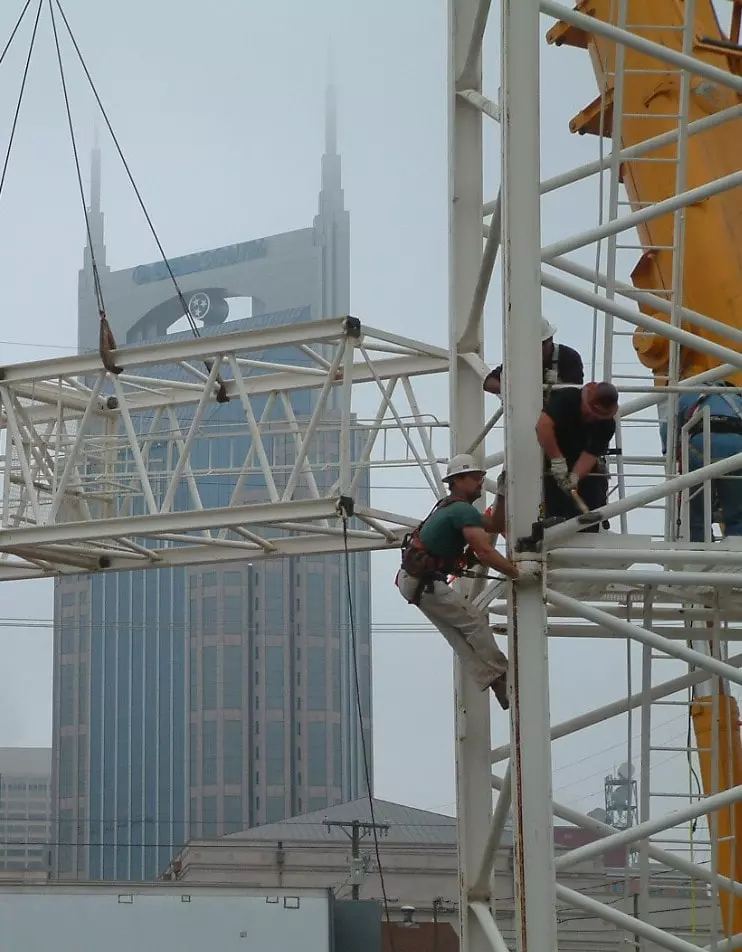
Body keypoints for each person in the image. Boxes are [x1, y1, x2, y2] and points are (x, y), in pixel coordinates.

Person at [396, 454, 519, 710]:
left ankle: (496, 681)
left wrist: (503, 495)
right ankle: (504, 675)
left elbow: (495, 523)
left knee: (459, 634)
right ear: (458, 480)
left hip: (415, 580)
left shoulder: (454, 508)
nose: (480, 483)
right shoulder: (461, 510)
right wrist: (516, 572)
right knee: (473, 621)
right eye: (475, 478)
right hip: (424, 581)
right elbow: (485, 551)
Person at [536, 382, 619, 530]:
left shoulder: (606, 425)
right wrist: (557, 460)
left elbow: (590, 454)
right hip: (547, 459)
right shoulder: (567, 398)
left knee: (587, 503)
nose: (592, 417)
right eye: (590, 412)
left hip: (580, 470)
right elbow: (543, 426)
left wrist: (575, 476)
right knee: (553, 506)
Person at [674, 385, 742, 541]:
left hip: (701, 445)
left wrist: (671, 453)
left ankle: (700, 544)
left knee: (697, 509)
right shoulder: (737, 398)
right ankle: (737, 545)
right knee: (737, 509)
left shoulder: (689, 396)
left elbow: (669, 431)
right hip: (737, 448)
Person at [483, 317, 584, 397]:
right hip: (530, 414)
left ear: (550, 340)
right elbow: (489, 383)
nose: (536, 351)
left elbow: (576, 392)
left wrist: (558, 383)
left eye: (541, 344)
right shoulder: (520, 359)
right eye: (531, 346)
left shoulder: (568, 357)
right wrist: (514, 391)